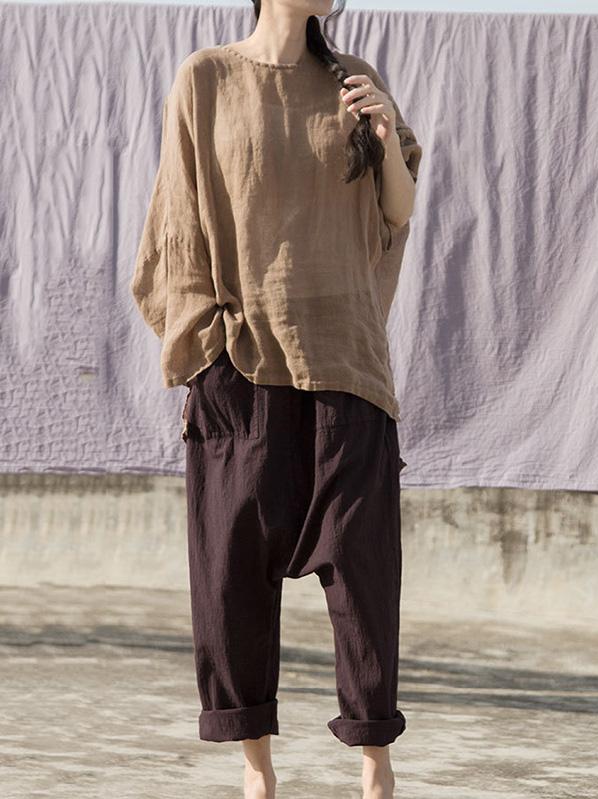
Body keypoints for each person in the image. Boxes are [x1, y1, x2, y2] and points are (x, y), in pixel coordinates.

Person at [130, 1, 422, 796]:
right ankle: (257, 774)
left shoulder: (354, 79)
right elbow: (176, 223)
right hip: (244, 367)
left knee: (365, 581)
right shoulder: (207, 79)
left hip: (349, 364)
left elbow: (396, 210)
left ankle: (376, 771)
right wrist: (205, 357)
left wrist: (385, 131)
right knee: (232, 580)